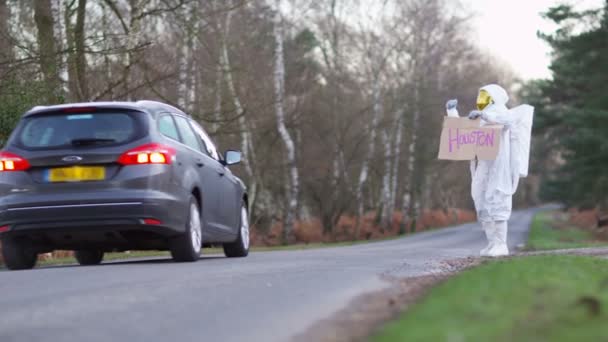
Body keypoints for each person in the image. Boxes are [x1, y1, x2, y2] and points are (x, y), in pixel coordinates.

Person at [445, 84, 533, 257]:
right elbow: (461, 133)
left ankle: (501, 245)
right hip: (484, 164)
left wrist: (484, 114)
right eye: (480, 95)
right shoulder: (480, 118)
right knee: (481, 202)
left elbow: (507, 120)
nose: (481, 99)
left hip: (499, 165)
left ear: (494, 97)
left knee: (498, 201)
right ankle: (492, 243)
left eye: (484, 96)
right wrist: (452, 112)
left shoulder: (502, 112)